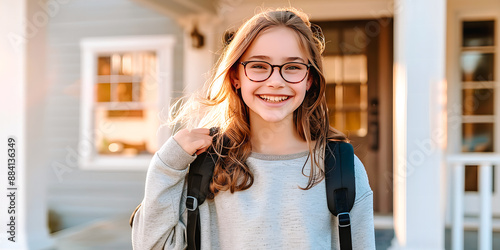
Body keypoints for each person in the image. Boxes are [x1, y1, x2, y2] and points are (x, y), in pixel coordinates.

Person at [131, 8, 375, 250]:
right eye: (259, 66)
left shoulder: (342, 168)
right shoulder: (203, 164)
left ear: (309, 79)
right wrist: (166, 165)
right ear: (236, 76)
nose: (276, 81)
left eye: (292, 67)